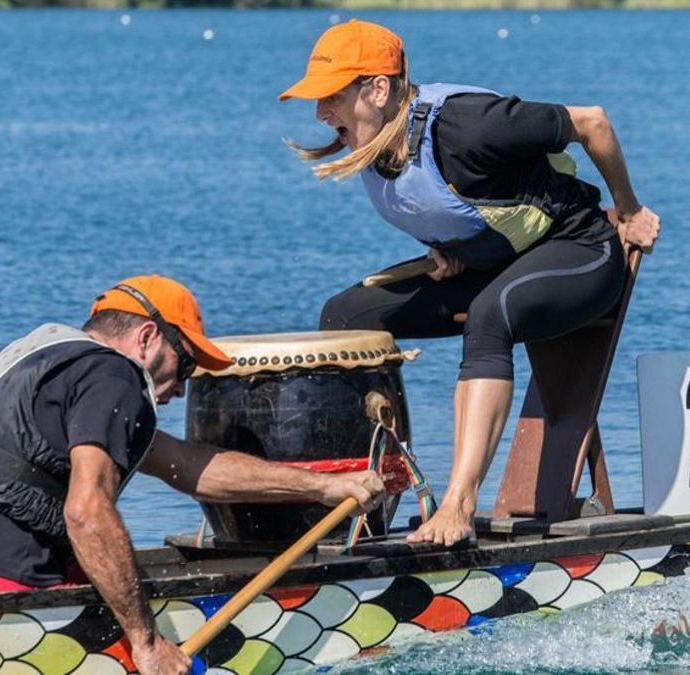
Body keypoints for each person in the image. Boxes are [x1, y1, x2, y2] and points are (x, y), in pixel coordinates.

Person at [281, 20, 661, 547]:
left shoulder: (470, 125)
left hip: (582, 254)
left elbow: (593, 123)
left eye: (331, 97)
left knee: (489, 315)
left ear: (378, 89)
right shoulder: (375, 144)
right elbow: (461, 205)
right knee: (346, 318)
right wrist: (450, 248)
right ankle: (368, 507)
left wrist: (629, 209)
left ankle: (458, 507)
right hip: (501, 266)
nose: (321, 113)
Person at [0, 275, 385, 675]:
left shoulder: (38, 361)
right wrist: (146, 641)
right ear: (148, 338)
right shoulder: (116, 375)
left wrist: (324, 486)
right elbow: (87, 512)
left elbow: (191, 467)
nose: (181, 385)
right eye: (186, 363)